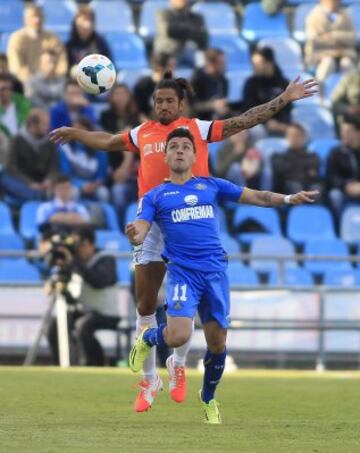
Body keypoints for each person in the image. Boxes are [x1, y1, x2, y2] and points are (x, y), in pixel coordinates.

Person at [50, 71, 318, 413]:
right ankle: (150, 380)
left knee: (185, 307)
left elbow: (245, 120)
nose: (162, 106)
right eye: (158, 101)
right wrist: (77, 133)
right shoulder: (142, 132)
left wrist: (284, 98)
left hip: (190, 219)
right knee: (145, 304)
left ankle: (178, 365)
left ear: (181, 103)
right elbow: (107, 141)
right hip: (151, 218)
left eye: (168, 101)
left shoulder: (198, 128)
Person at [126, 128, 318, 424]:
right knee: (178, 335)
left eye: (185, 146)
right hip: (182, 273)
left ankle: (208, 397)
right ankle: (147, 339)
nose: (179, 150)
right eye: (173, 146)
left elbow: (259, 196)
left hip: (215, 272)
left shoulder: (211, 186)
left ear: (195, 155)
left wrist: (290, 198)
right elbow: (141, 227)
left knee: (217, 344)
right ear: (165, 156)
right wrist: (135, 235)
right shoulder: (156, 196)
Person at [46, 225, 120, 366]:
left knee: (83, 325)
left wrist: (74, 262)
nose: (78, 249)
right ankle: (62, 364)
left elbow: (99, 281)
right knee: (54, 325)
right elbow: (71, 293)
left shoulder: (106, 259)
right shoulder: (76, 262)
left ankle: (94, 365)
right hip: (84, 311)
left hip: (107, 314)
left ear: (90, 244)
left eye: (81, 245)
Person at [0, 109, 58, 204]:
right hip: (19, 180)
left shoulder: (49, 142)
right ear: (32, 125)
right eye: (44, 125)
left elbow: (54, 167)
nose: (48, 128)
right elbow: (11, 167)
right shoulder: (17, 140)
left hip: (40, 181)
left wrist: (49, 179)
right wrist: (30, 183)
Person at [7, 4, 68, 84]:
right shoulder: (16, 38)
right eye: (33, 17)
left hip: (51, 83)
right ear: (25, 19)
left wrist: (57, 76)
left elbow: (62, 62)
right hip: (25, 85)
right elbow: (15, 67)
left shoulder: (53, 37)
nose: (37, 20)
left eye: (40, 16)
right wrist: (31, 82)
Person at [242, 47, 291, 138]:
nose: (254, 67)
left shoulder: (283, 83)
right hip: (258, 125)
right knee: (257, 130)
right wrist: (267, 123)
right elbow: (249, 109)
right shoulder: (250, 83)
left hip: (281, 125)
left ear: (269, 63)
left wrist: (282, 125)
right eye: (253, 64)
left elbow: (287, 108)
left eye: (258, 64)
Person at [58, 117, 109, 202]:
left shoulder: (99, 147)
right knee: (73, 192)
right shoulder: (65, 147)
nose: (76, 133)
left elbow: (102, 174)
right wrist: (81, 184)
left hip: (94, 185)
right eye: (74, 129)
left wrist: (95, 184)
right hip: (74, 184)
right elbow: (66, 173)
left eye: (80, 129)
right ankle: (73, 214)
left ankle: (101, 214)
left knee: (103, 193)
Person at [305, 0, 356, 83]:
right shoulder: (314, 16)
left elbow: (353, 37)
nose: (334, 2)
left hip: (343, 53)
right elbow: (313, 39)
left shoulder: (345, 15)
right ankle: (320, 93)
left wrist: (336, 35)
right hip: (322, 55)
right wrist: (336, 40)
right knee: (328, 63)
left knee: (347, 64)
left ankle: (354, 93)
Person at [271, 123, 322, 195]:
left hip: (308, 188)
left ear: (303, 137)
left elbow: (314, 175)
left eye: (296, 135)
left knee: (317, 188)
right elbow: (281, 174)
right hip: (287, 194)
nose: (293, 138)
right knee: (294, 186)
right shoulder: (279, 156)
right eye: (290, 135)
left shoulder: (313, 156)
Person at [154, 0, 208, 67]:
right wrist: (192, 29)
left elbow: (204, 36)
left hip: (191, 52)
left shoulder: (197, 17)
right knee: (165, 61)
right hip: (169, 52)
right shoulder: (163, 14)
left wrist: (181, 29)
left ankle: (201, 75)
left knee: (203, 61)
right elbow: (168, 30)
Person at [326, 118, 360, 216]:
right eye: (342, 131)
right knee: (335, 195)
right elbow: (331, 177)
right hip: (344, 190)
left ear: (358, 133)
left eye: (348, 131)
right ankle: (339, 227)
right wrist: (347, 185)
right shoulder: (335, 153)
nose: (343, 135)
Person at [66, 5, 112, 76]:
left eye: (88, 20)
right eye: (82, 20)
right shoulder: (69, 45)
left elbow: (109, 68)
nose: (85, 25)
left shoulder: (100, 44)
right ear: (75, 23)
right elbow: (64, 69)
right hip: (75, 83)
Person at [134, 53, 176, 121]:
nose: (174, 70)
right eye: (171, 66)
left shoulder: (176, 86)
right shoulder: (142, 85)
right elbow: (139, 113)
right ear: (159, 68)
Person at [191, 49, 229, 121]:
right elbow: (192, 106)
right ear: (211, 64)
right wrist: (212, 105)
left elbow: (224, 101)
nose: (225, 65)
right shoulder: (198, 78)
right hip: (200, 121)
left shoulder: (223, 80)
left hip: (219, 119)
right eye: (221, 62)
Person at [331, 63, 360, 128]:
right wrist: (348, 109)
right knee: (347, 126)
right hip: (351, 120)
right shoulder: (349, 80)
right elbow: (335, 102)